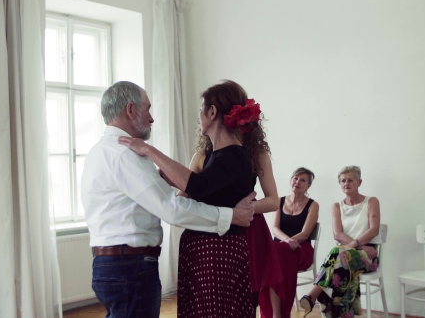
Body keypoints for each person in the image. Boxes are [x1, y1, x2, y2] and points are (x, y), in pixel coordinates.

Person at [81, 81, 256, 318]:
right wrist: (231, 215)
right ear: (131, 110)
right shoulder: (124, 154)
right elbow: (171, 208)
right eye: (148, 109)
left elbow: (194, 189)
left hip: (114, 263)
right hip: (129, 266)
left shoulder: (100, 150)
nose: (152, 119)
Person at [181, 83, 283, 315]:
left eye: (202, 109)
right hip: (211, 233)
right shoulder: (202, 155)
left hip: (248, 230)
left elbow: (273, 200)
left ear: (215, 112)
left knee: (244, 299)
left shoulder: (256, 152)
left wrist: (239, 211)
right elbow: (187, 193)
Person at [299, 166, 380, 318]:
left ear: (359, 182)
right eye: (343, 181)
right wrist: (356, 245)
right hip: (344, 257)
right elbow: (337, 235)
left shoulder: (371, 201)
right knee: (342, 263)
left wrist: (356, 246)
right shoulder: (337, 206)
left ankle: (314, 293)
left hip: (368, 256)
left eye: (350, 180)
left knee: (338, 253)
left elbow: (374, 230)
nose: (346, 183)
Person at [259, 167, 319, 318]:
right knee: (269, 254)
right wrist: (287, 240)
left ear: (308, 186)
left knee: (274, 256)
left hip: (301, 248)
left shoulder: (313, 205)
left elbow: (305, 233)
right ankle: (274, 312)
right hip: (281, 247)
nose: (297, 182)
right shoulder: (279, 201)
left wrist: (291, 241)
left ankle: (277, 314)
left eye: (302, 180)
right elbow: (274, 228)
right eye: (295, 178)